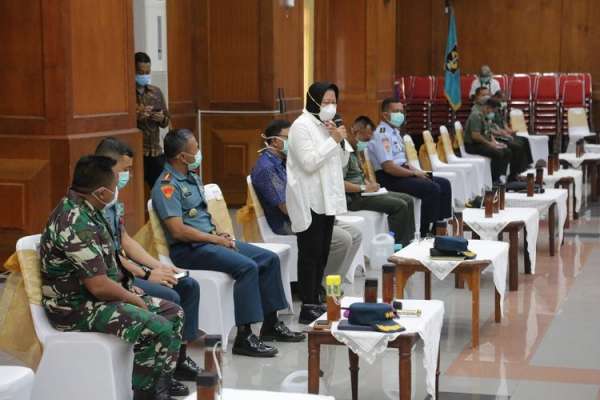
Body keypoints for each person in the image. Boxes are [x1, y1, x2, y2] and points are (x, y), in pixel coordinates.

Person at [40, 155, 183, 400]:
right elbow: (98, 286)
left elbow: (110, 262)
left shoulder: (91, 210)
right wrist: (131, 298)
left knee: (172, 312)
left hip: (97, 299)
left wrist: (130, 288)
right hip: (74, 308)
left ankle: (159, 387)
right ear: (101, 192)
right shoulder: (75, 222)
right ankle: (146, 395)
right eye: (115, 185)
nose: (118, 189)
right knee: (157, 327)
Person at [152, 129, 304, 358]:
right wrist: (214, 239)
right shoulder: (167, 186)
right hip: (189, 250)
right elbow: (178, 231)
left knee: (268, 259)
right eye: (195, 148)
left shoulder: (192, 176)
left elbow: (202, 215)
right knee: (247, 267)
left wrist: (220, 234)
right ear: (182, 156)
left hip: (209, 241)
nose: (199, 152)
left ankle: (271, 325)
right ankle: (245, 337)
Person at [95, 137, 201, 387]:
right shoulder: (93, 201)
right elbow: (110, 257)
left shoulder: (113, 197)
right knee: (170, 295)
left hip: (124, 270)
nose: (128, 176)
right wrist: (146, 274)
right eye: (125, 170)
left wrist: (158, 266)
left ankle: (179, 358)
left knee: (187, 285)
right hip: (112, 277)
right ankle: (162, 369)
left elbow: (124, 240)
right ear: (107, 167)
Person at [250, 119, 362, 290]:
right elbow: (286, 208)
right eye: (290, 138)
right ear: (275, 141)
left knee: (355, 234)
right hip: (288, 221)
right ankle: (319, 286)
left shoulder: (285, 160)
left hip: (307, 211)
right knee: (342, 239)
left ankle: (331, 283)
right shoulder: (267, 168)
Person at [286, 82, 349, 324]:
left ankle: (316, 297)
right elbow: (309, 163)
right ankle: (307, 305)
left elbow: (341, 162)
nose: (330, 107)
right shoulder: (301, 126)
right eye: (325, 102)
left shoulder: (327, 126)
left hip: (327, 199)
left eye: (333, 102)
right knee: (309, 253)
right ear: (313, 101)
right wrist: (333, 141)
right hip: (308, 199)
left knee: (322, 252)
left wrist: (339, 141)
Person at [368, 98, 452, 236]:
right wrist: (413, 174)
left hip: (403, 172)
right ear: (385, 115)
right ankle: (424, 232)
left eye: (401, 111)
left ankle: (439, 227)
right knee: (431, 188)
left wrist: (418, 171)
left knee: (444, 183)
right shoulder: (382, 134)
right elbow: (389, 167)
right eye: (396, 111)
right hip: (389, 178)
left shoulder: (394, 132)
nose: (400, 115)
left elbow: (403, 161)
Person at [344, 116, 415, 246]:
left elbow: (357, 176)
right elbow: (339, 183)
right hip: (353, 198)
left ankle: (409, 243)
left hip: (364, 192)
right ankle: (397, 246)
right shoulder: (343, 152)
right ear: (355, 132)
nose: (367, 143)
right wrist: (364, 188)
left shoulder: (354, 149)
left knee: (408, 199)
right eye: (366, 139)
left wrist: (369, 184)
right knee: (399, 206)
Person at [135, 52, 170, 188]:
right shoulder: (126, 94)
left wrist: (161, 118)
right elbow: (120, 123)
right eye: (140, 72)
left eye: (147, 72)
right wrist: (138, 116)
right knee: (138, 191)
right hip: (137, 153)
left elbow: (166, 121)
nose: (144, 76)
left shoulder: (156, 92)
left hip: (155, 151)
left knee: (164, 188)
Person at [463, 91, 511, 182]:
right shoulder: (476, 116)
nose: (492, 112)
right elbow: (475, 136)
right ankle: (494, 180)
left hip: (481, 144)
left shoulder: (484, 116)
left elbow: (488, 132)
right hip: (472, 146)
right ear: (487, 107)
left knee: (506, 151)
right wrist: (490, 144)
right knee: (498, 153)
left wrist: (495, 143)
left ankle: (502, 176)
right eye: (492, 110)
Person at [490, 90, 533, 175]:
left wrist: (510, 131)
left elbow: (504, 124)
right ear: (496, 97)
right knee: (517, 145)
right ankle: (515, 172)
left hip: (503, 134)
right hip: (497, 136)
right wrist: (504, 133)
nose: (504, 103)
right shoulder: (490, 111)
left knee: (524, 140)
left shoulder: (498, 110)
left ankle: (526, 165)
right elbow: (493, 128)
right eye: (502, 100)